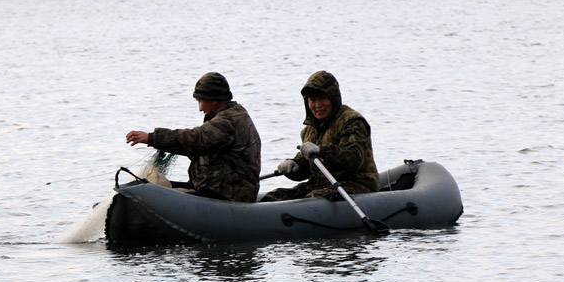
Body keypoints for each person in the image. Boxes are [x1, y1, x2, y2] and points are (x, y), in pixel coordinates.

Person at [125, 72, 262, 203]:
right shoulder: (231, 115)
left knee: (150, 193)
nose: (200, 108)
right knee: (142, 187)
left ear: (213, 100)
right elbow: (204, 149)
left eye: (200, 101)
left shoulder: (229, 121)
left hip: (230, 195)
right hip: (216, 188)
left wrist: (152, 138)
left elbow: (196, 140)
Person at [261, 70, 378, 202]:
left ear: (333, 98)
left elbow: (353, 158)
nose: (317, 105)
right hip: (320, 185)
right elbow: (307, 167)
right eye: (312, 100)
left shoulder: (351, 122)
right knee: (274, 197)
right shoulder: (310, 130)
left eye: (322, 98)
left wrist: (321, 151)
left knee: (313, 200)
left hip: (355, 184)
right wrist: (294, 165)